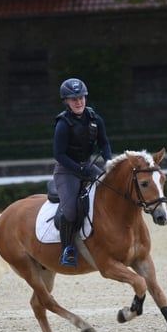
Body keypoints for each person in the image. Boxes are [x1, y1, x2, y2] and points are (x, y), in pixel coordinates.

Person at [53, 77, 113, 266]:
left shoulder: (95, 118)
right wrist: (79, 169)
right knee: (70, 211)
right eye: (73, 99)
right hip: (66, 171)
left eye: (81, 97)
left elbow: (104, 143)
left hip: (87, 166)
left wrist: (109, 162)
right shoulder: (63, 124)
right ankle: (67, 249)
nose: (78, 102)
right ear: (67, 102)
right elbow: (59, 154)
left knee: (111, 192)